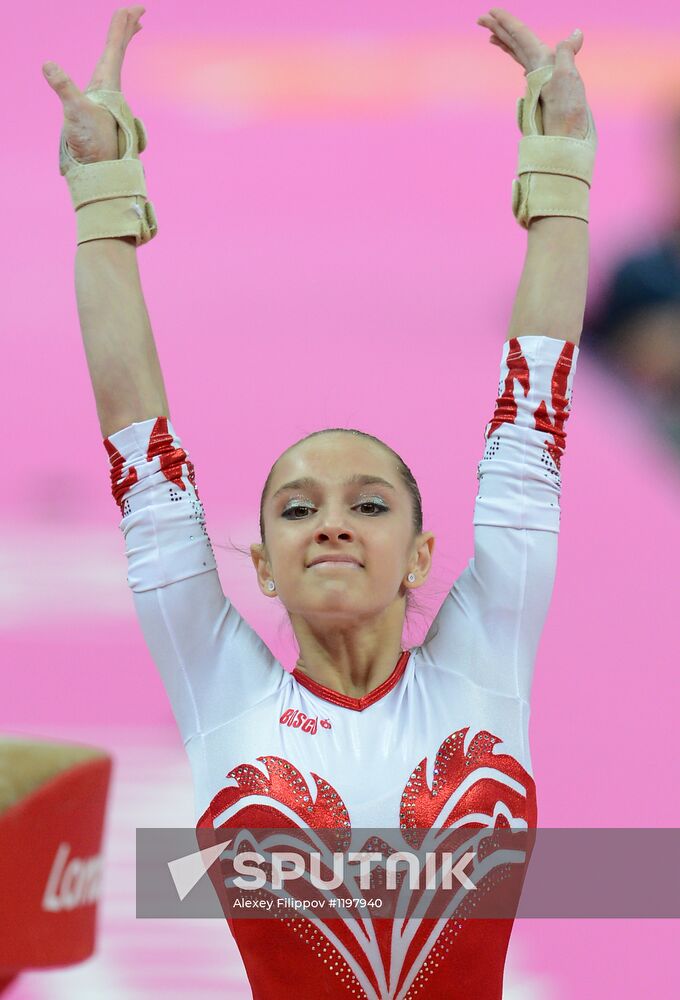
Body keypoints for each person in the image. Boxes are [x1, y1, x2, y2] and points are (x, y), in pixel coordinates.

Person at [44, 6, 596, 998]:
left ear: (423, 554)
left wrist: (559, 172)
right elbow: (138, 439)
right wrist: (100, 198)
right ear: (257, 562)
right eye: (295, 509)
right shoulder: (224, 689)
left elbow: (529, 437)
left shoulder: (482, 663)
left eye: (369, 505)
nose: (332, 520)